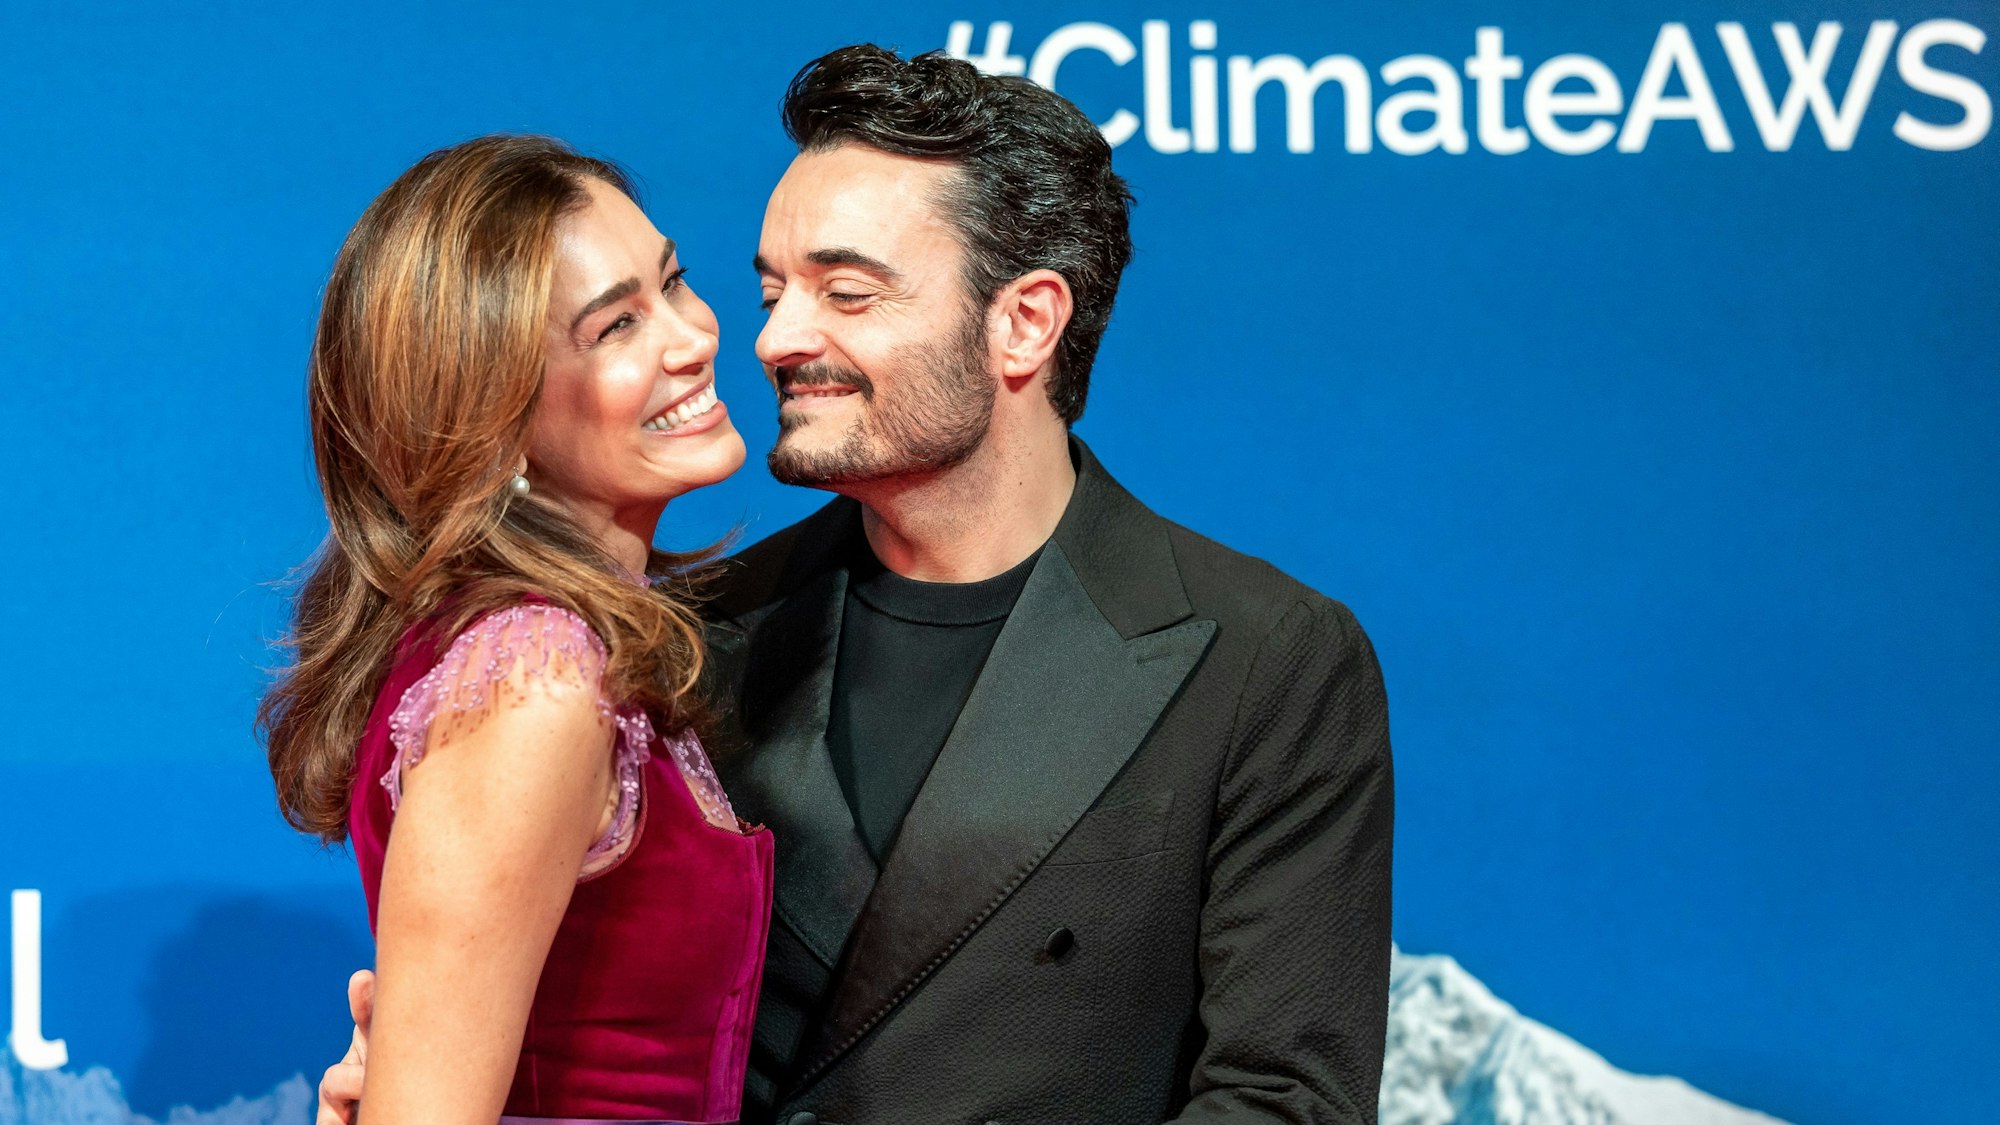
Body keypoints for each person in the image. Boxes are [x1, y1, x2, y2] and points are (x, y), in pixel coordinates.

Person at [323, 45, 1393, 1125]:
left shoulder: (1263, 658)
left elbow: (1280, 1103)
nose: (767, 339)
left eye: (844, 292)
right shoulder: (678, 641)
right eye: (770, 289)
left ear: (1023, 322)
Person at [265, 134, 773, 1125]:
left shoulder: (561, 649)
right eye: (616, 326)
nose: (690, 337)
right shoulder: (533, 678)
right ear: (494, 419)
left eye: (671, 283)